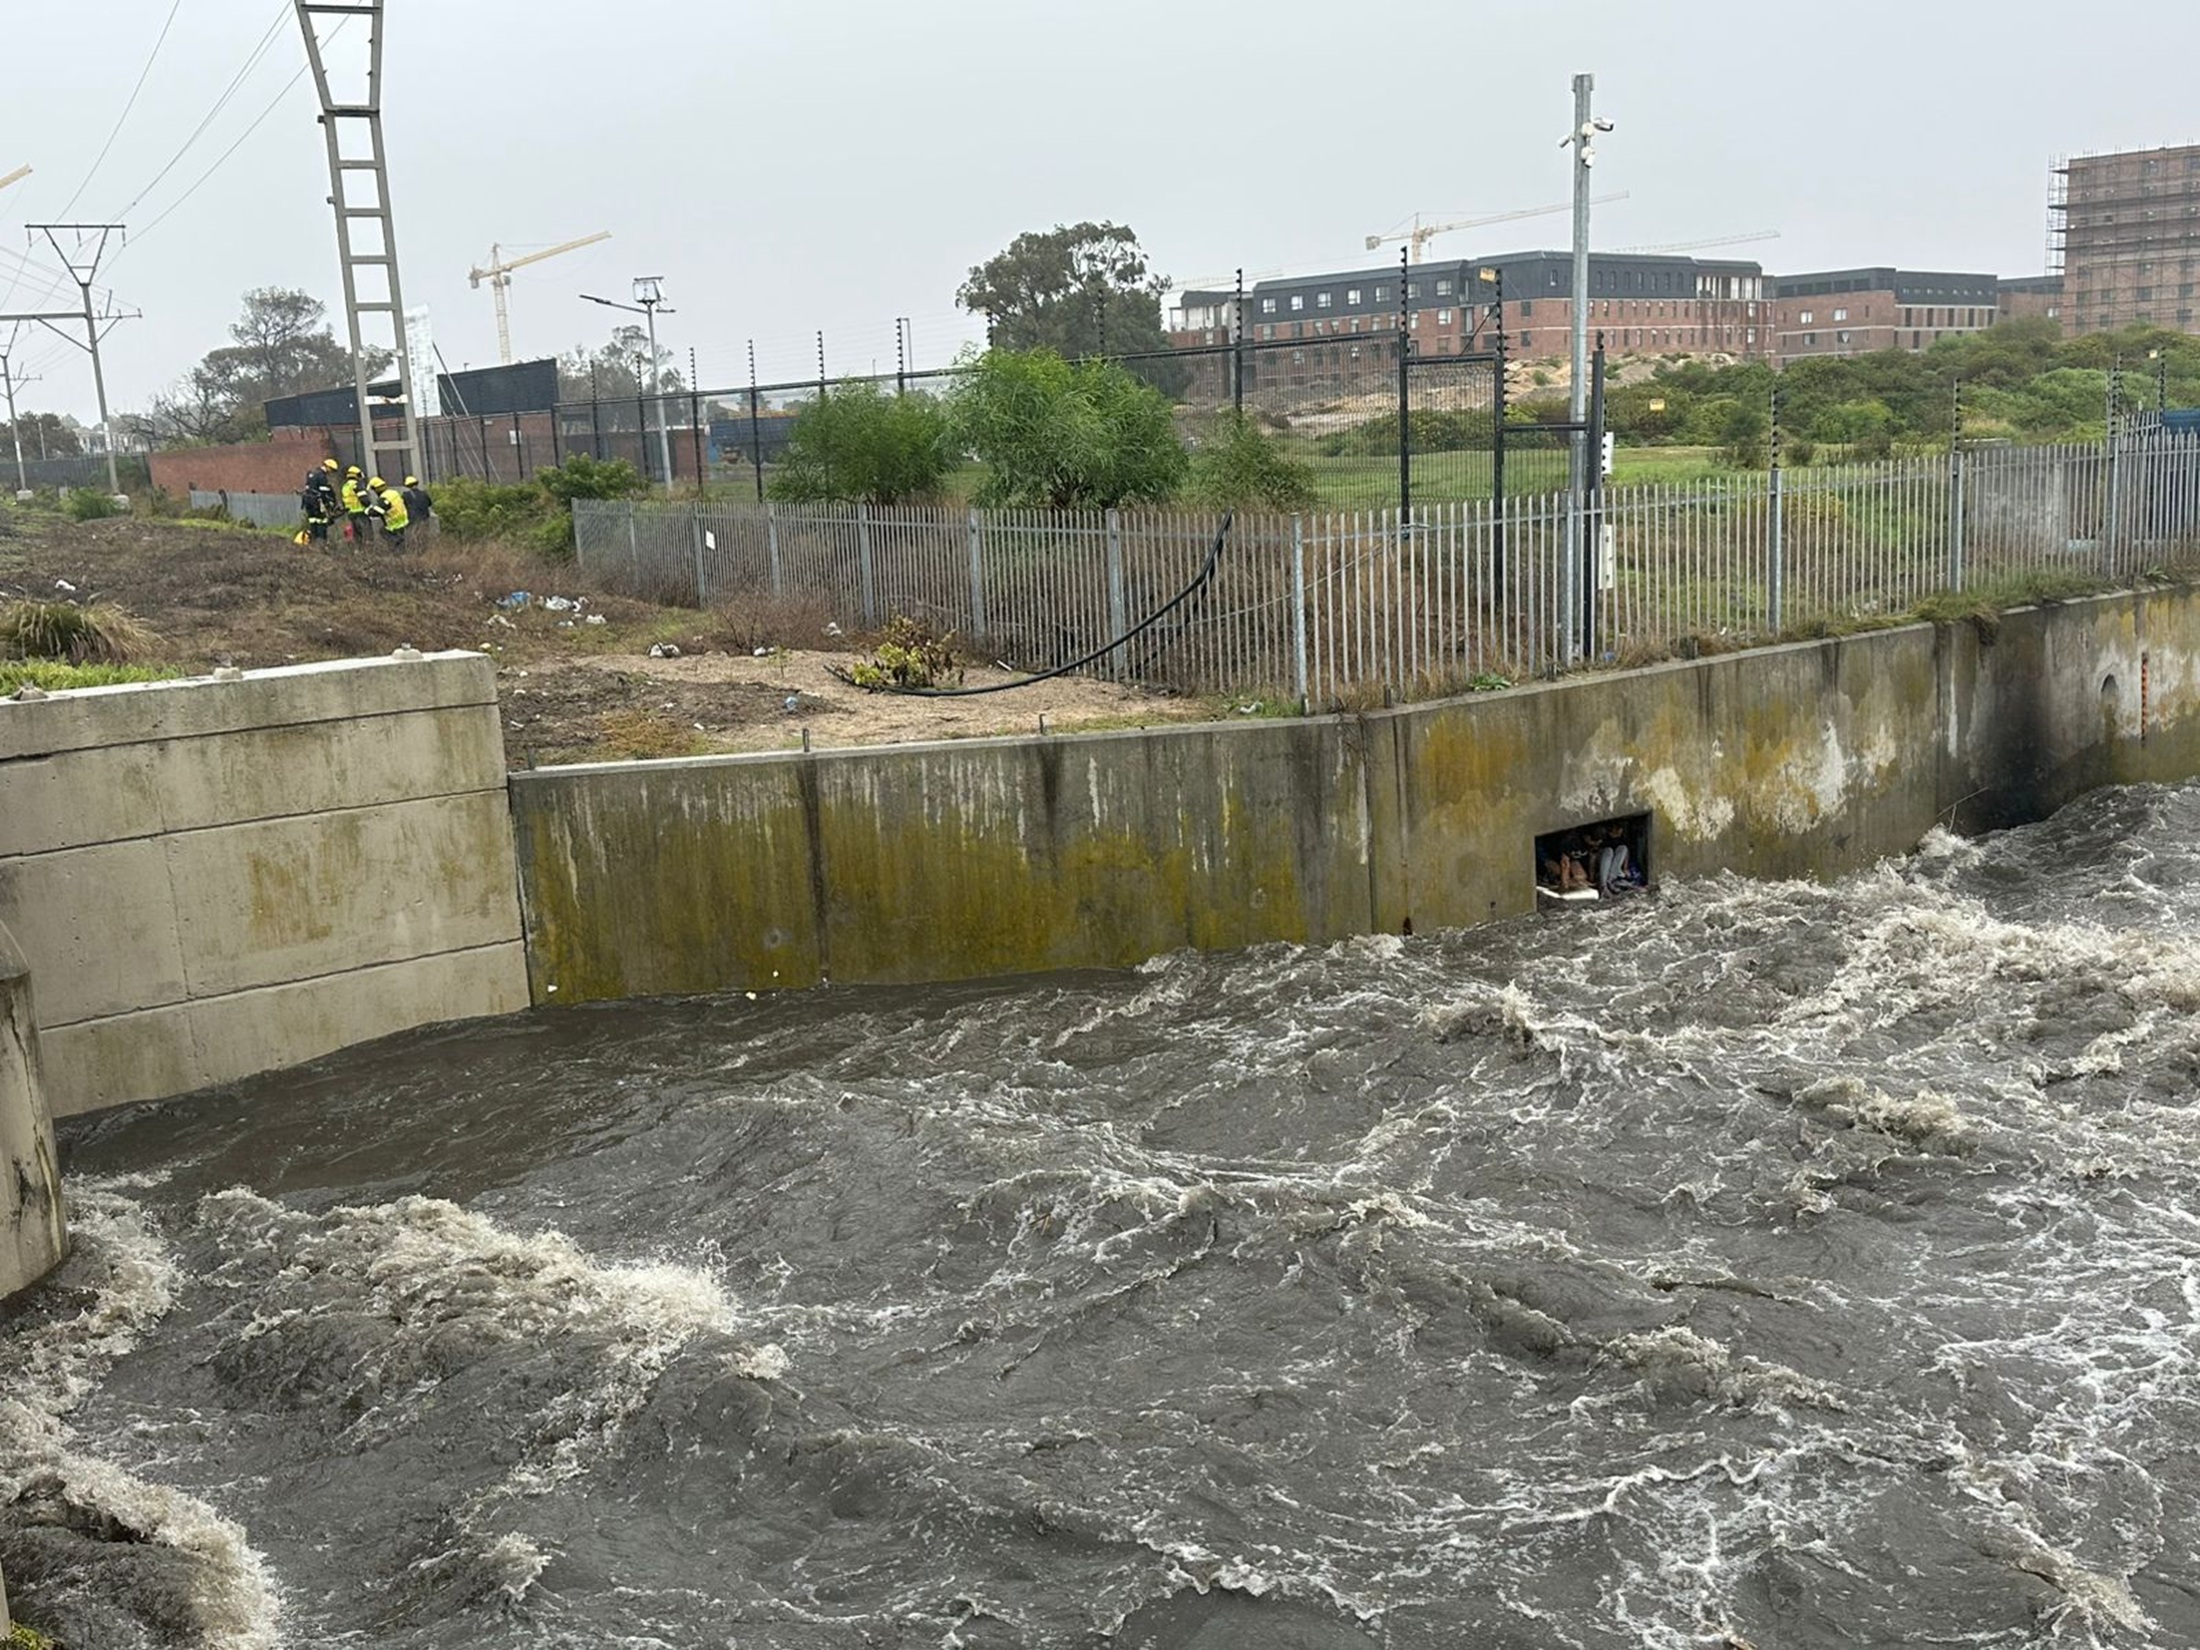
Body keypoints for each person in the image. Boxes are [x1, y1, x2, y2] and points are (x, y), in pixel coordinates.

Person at [297, 457, 339, 545]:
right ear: (328, 467)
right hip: (317, 503)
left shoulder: (311, 474)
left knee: (313, 523)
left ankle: (313, 542)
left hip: (308, 503)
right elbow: (324, 493)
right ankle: (321, 543)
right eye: (331, 470)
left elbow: (308, 488)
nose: (330, 473)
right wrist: (328, 504)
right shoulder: (322, 476)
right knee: (322, 522)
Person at [369, 475, 410, 550]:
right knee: (402, 546)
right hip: (403, 521)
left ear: (376, 489)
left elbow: (377, 512)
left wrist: (368, 511)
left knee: (385, 533)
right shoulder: (393, 493)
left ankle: (396, 546)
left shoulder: (384, 498)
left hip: (394, 524)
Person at [340, 465, 370, 542]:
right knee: (366, 534)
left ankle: (358, 550)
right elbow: (364, 500)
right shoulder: (357, 485)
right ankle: (368, 551)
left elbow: (344, 501)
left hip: (351, 514)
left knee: (356, 535)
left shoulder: (345, 486)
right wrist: (369, 507)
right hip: (360, 513)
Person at [401, 474, 433, 539]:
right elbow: (430, 503)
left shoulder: (406, 495)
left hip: (413, 520)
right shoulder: (424, 493)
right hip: (424, 519)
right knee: (424, 538)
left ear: (408, 486)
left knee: (414, 538)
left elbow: (402, 506)